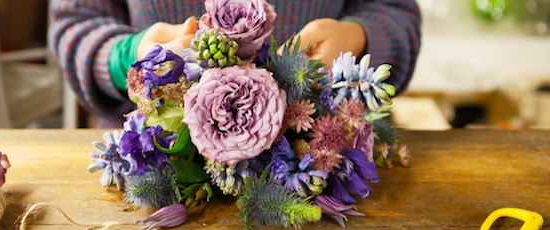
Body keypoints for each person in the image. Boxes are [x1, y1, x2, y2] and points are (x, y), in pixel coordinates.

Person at [48, 0, 421, 128]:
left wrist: (359, 40)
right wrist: (128, 56)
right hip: (155, 172)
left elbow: (396, 16)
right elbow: (75, 25)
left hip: (329, 166)